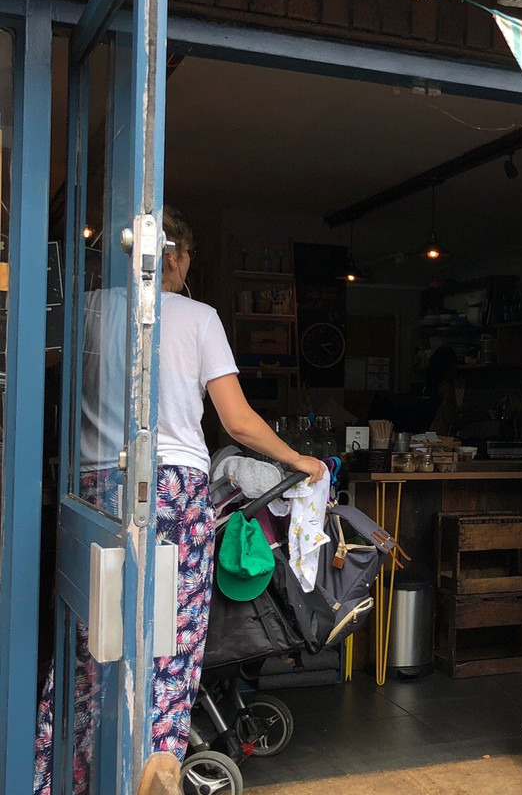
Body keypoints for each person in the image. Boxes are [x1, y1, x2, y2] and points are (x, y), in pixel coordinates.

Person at [33, 206, 324, 795]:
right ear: (172, 256)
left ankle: (55, 771)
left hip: (95, 486)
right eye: (189, 257)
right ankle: (155, 761)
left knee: (92, 641)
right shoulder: (198, 317)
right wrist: (298, 460)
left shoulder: (87, 310)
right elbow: (237, 421)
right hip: (173, 488)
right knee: (172, 632)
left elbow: (43, 374)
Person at [423, 345, 458, 436]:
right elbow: (450, 418)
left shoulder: (428, 386)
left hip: (429, 433)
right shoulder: (446, 388)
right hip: (441, 435)